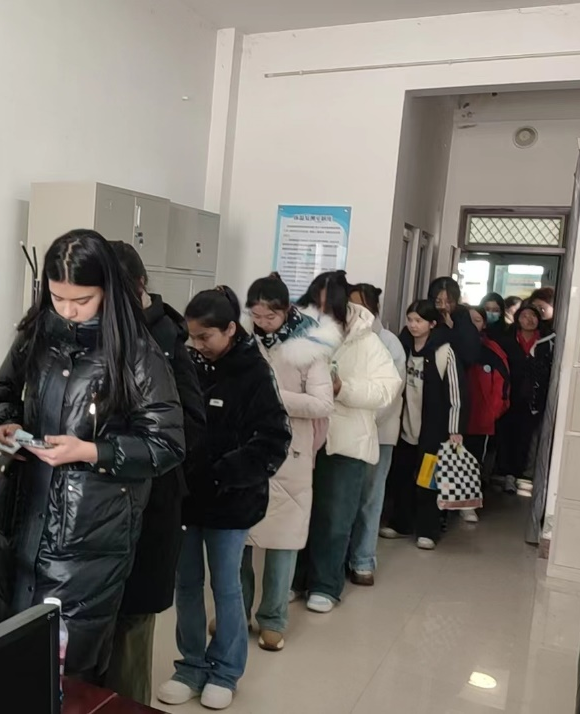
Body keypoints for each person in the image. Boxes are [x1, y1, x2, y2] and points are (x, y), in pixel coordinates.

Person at [0, 229, 184, 685]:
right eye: (58, 298)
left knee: (65, 672)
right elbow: (1, 394)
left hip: (87, 537)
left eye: (82, 300)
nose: (68, 311)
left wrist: (92, 451)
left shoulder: (137, 353)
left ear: (108, 291)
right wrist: (4, 428)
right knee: (7, 660)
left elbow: (168, 444)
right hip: (20, 518)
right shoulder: (36, 334)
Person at [157, 286, 290, 710]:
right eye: (192, 336)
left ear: (231, 329)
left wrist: (224, 472)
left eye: (205, 337)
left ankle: (226, 671)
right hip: (187, 495)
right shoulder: (186, 363)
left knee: (226, 586)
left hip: (231, 499)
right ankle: (190, 666)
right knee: (186, 584)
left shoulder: (254, 371)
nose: (196, 345)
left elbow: (274, 439)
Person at [103, 242, 206, 705]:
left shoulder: (165, 341)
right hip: (100, 507)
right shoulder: (95, 334)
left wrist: (119, 447)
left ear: (136, 288)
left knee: (130, 633)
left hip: (149, 504)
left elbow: (190, 428)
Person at [294, 271, 401, 613]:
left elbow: (387, 388)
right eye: (315, 305)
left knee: (336, 517)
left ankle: (325, 585)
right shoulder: (302, 331)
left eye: (327, 307)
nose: (320, 313)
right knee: (299, 512)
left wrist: (344, 389)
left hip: (346, 442)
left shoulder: (367, 341)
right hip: (304, 438)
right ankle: (295, 579)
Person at [241, 274, 334, 650]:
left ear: (286, 311)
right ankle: (236, 613)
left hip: (290, 451)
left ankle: (273, 619)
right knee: (239, 536)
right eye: (256, 316)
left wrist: (273, 396)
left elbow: (322, 403)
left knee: (283, 539)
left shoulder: (309, 345)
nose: (262, 323)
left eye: (270, 317)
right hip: (247, 447)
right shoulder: (246, 341)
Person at [381, 300, 464, 550]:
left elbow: (456, 393)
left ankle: (428, 530)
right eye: (410, 320)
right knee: (402, 477)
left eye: (419, 320)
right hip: (406, 425)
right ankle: (401, 523)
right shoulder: (403, 347)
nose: (413, 325)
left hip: (433, 430)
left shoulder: (444, 351)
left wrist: (454, 429)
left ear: (432, 323)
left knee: (428, 480)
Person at [346, 283, 406, 586]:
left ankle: (363, 560)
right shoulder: (343, 336)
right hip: (346, 433)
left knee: (370, 498)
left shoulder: (389, 343)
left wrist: (364, 419)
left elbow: (389, 395)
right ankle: (340, 558)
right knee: (344, 498)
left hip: (378, 433)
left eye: (358, 304)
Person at [498, 304, 556, 496]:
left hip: (533, 398)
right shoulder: (508, 340)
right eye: (524, 316)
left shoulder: (547, 342)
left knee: (526, 438)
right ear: (517, 319)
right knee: (507, 435)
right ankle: (507, 474)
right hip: (509, 396)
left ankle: (518, 474)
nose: (529, 320)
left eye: (533, 316)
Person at [464, 307, 512, 516]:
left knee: (472, 462)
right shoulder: (451, 344)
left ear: (484, 324)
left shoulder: (492, 350)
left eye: (477, 320)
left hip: (478, 420)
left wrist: (491, 414)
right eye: (467, 320)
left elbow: (503, 387)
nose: (471, 324)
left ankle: (467, 504)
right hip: (450, 417)